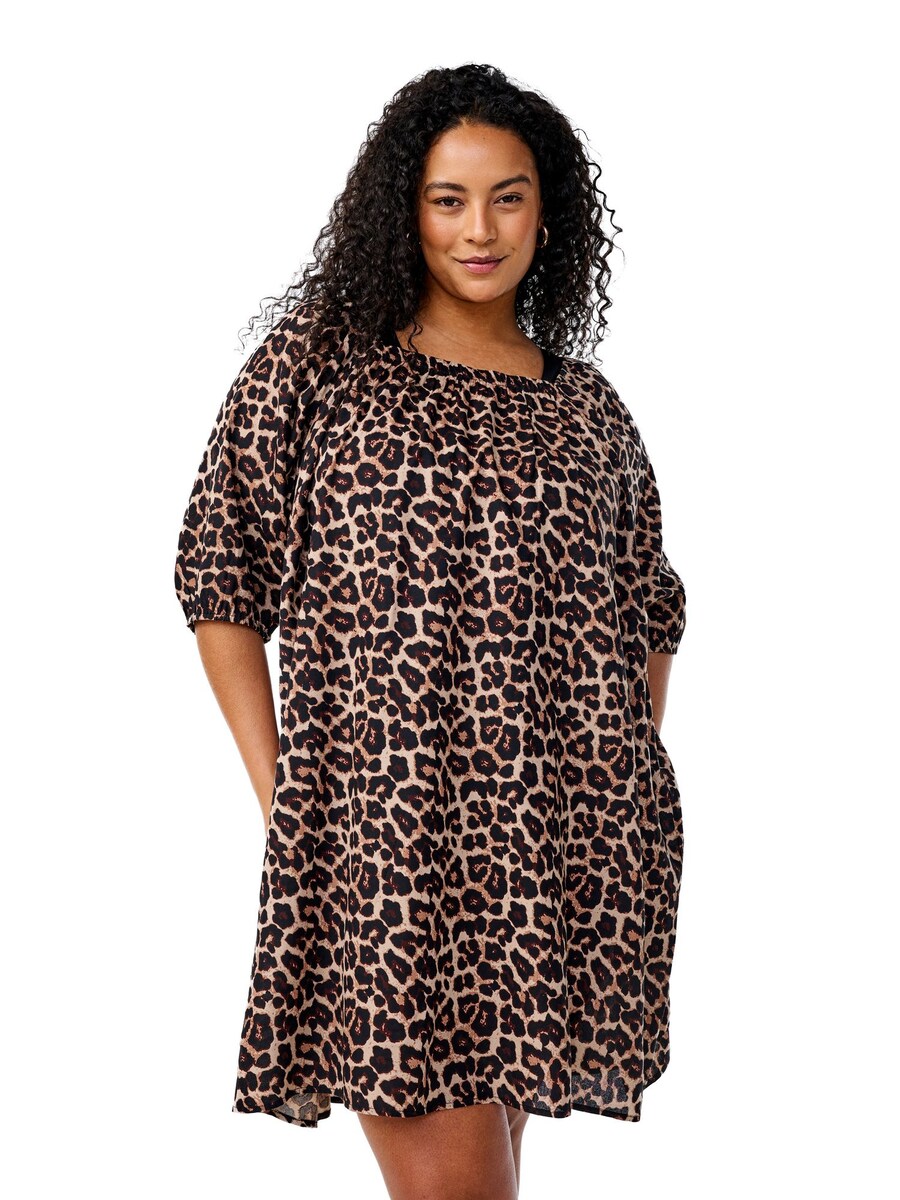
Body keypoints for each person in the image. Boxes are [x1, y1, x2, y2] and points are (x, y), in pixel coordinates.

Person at [174, 63, 687, 1200]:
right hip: (387, 854)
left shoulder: (588, 411)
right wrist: (289, 795)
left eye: (508, 197)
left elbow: (649, 608)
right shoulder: (320, 368)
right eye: (448, 199)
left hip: (549, 868)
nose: (479, 230)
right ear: (402, 209)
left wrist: (607, 789)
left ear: (549, 212)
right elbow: (220, 577)